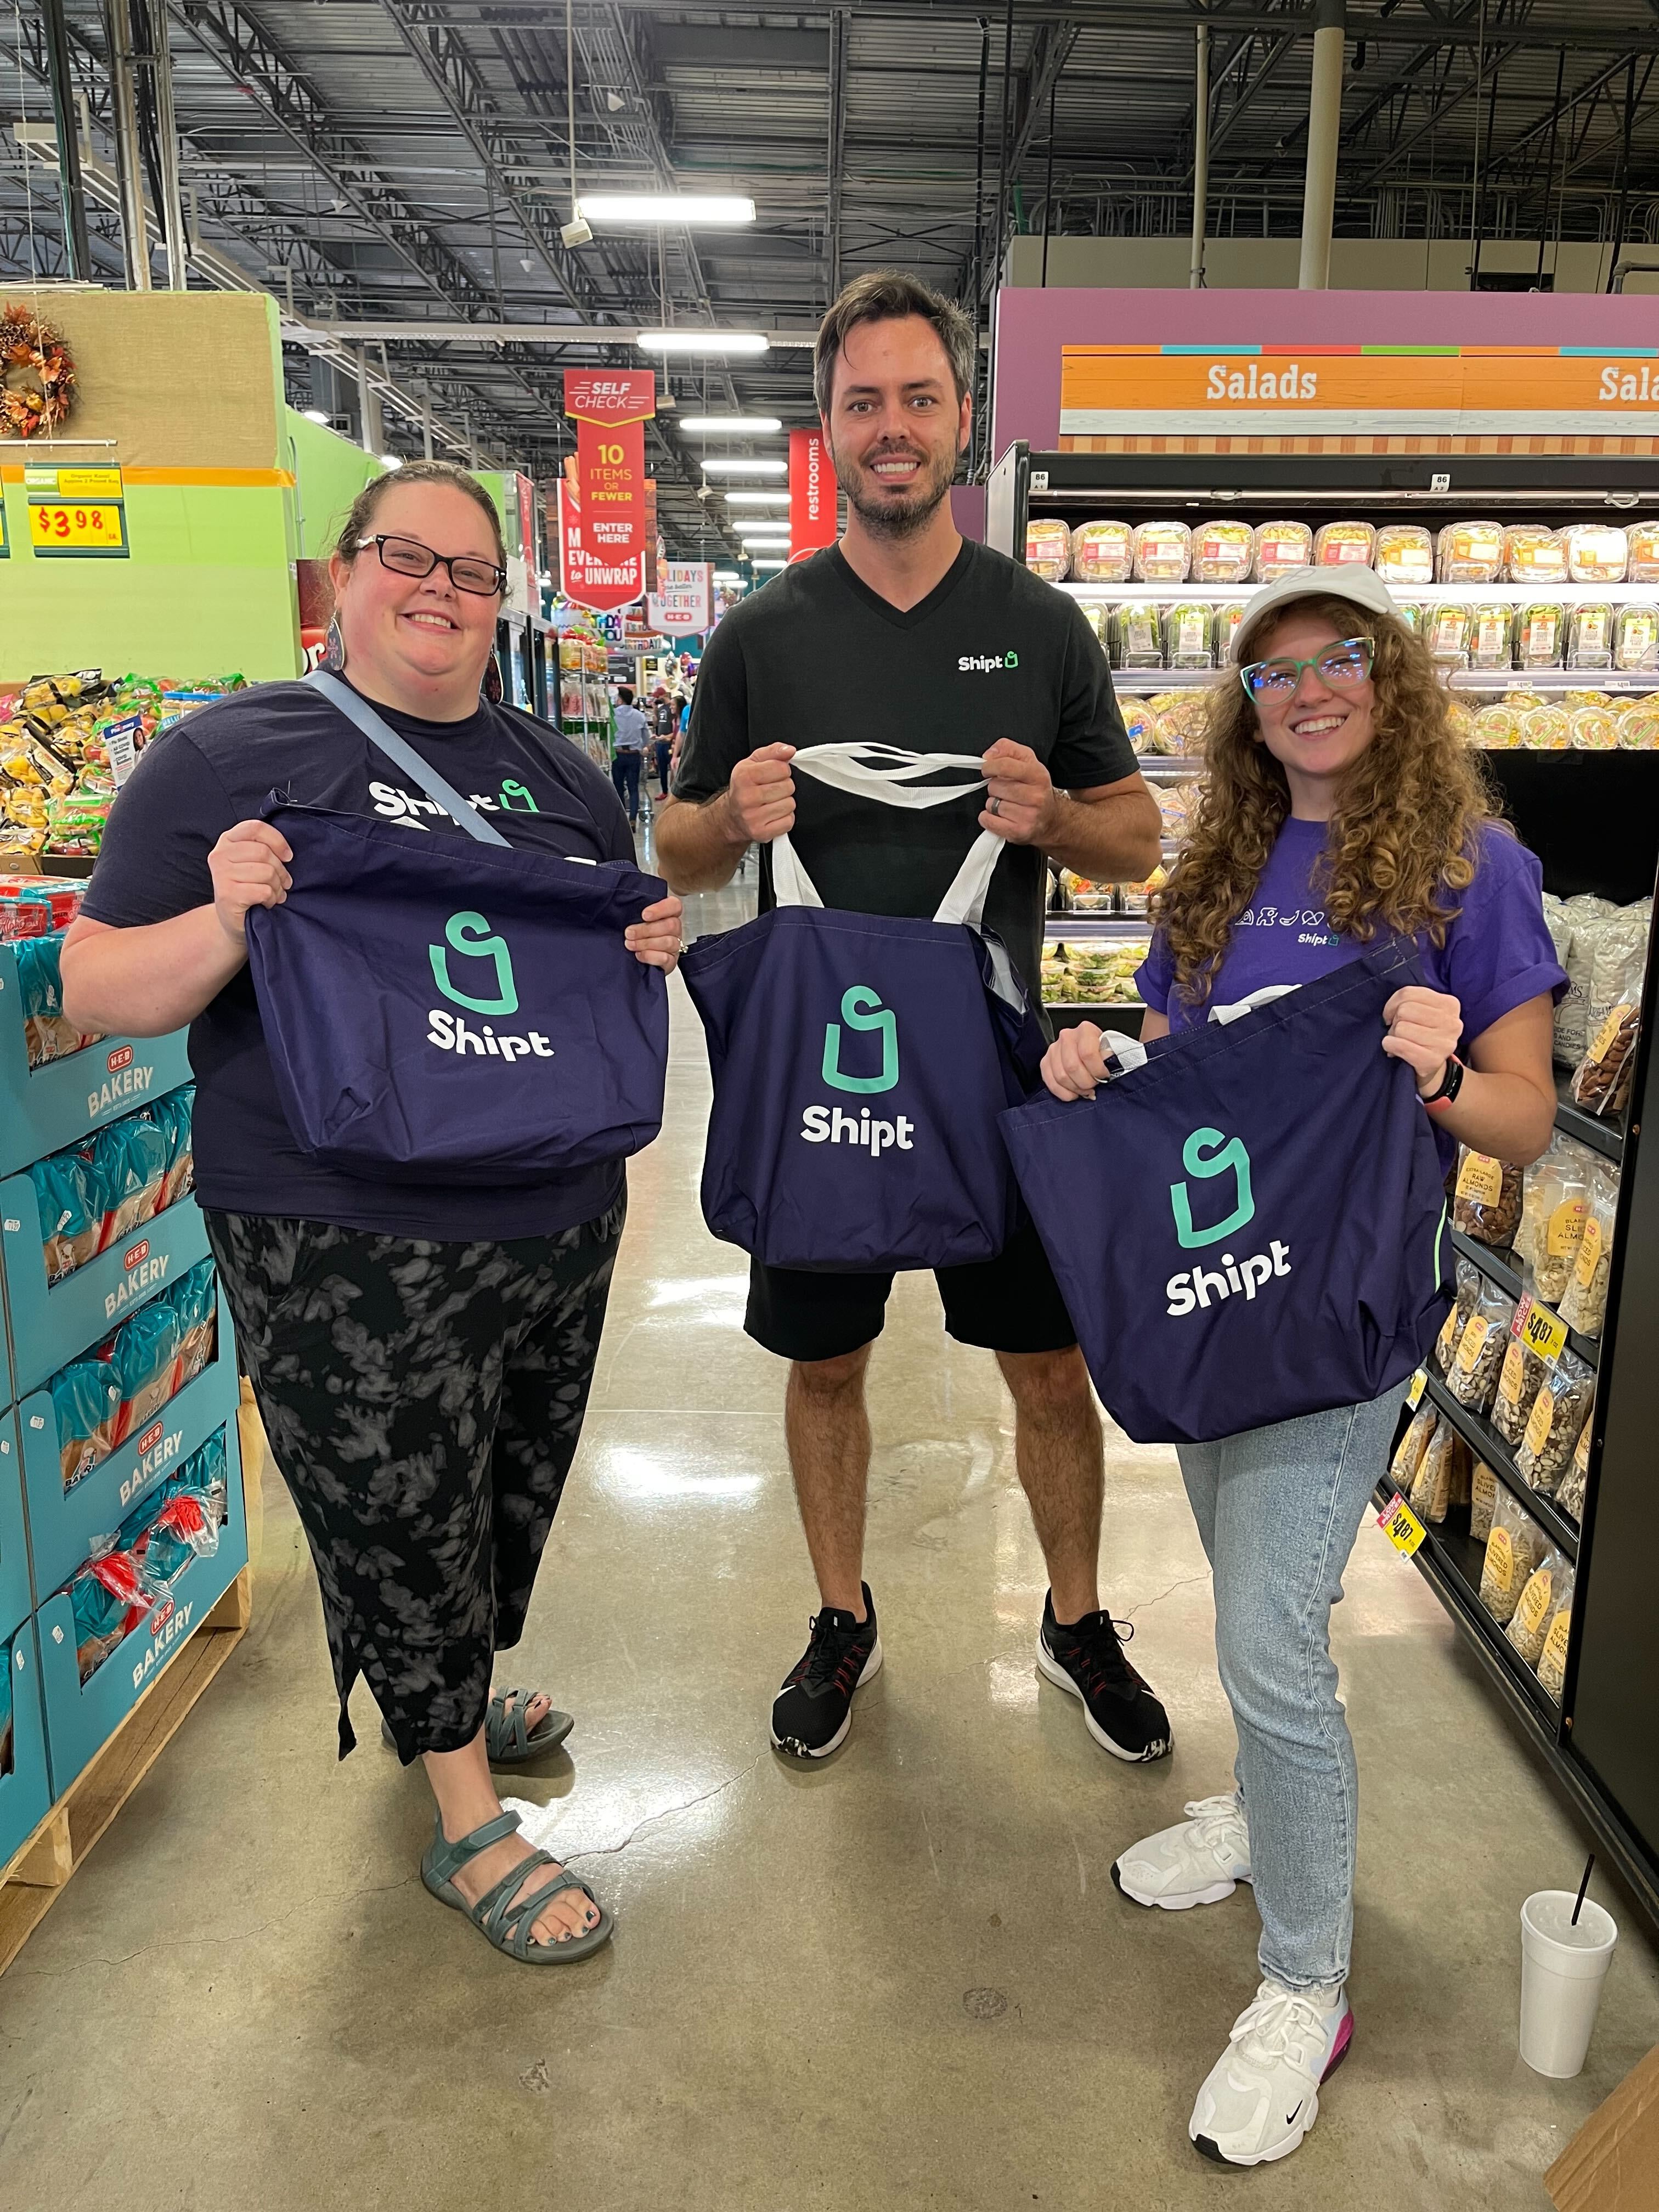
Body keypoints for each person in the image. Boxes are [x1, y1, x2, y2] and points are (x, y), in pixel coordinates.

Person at [59, 460, 685, 1969]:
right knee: (393, 1501)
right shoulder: (228, 759)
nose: (443, 593)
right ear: (339, 575)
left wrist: (643, 940)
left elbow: (582, 976)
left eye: (475, 574)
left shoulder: (566, 778)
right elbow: (94, 990)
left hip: (547, 1210)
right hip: (338, 1223)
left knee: (497, 1488)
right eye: (409, 558)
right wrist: (226, 914)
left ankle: (448, 1685)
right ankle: (466, 1815)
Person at [1039, 567, 1565, 2166]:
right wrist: (1103, 1060)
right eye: (1275, 675)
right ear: (1248, 712)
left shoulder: (1477, 871)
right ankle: (1267, 1828)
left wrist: (1442, 1071)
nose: (1311, 690)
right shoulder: (1231, 860)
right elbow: (1188, 1063)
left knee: (1269, 1638)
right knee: (1240, 1585)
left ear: (1390, 681)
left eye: (1340, 661)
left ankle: (1308, 1982)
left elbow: (1527, 1118)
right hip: (1218, 1288)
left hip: (1340, 1302)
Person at [656, 269, 1172, 1768]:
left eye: (921, 399)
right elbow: (677, 849)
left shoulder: (1038, 622)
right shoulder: (762, 635)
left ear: (963, 419)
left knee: (1050, 1362)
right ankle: (840, 1615)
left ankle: (1076, 1621)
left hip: (998, 1061)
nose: (894, 428)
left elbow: (1137, 836)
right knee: (826, 1361)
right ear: (829, 428)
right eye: (864, 402)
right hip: (818, 1070)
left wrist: (1056, 813)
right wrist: (727, 823)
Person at [612, 685, 648, 826]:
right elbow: (645, 737)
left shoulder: (613, 714)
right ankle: (633, 818)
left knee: (618, 787)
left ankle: (621, 820)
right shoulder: (640, 716)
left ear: (620, 700)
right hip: (634, 756)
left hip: (618, 755)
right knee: (634, 787)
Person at [650, 686, 677, 796]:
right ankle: (665, 791)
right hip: (660, 742)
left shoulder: (672, 708)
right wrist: (655, 711)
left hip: (669, 743)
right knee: (662, 769)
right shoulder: (661, 709)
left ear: (663, 695)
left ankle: (674, 792)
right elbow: (656, 723)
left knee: (673, 769)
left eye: (658, 696)